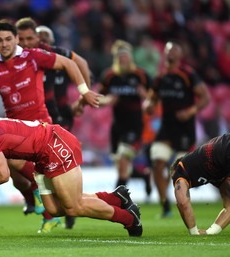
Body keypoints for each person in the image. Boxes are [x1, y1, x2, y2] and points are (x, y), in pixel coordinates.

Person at [0, 19, 100, 233]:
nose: (4, 44)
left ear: (16, 39)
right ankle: (42, 207)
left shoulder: (32, 56)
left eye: (9, 39)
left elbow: (70, 63)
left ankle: (40, 194)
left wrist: (84, 92)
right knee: (15, 176)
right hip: (13, 127)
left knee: (13, 163)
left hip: (39, 125)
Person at [0, 112, 143, 237]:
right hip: (42, 154)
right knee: (53, 209)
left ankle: (129, 219)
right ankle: (116, 198)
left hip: (54, 144)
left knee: (72, 206)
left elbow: (2, 174)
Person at [15, 17, 92, 229]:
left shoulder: (54, 54)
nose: (30, 42)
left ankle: (65, 207)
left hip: (61, 117)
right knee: (29, 165)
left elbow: (82, 63)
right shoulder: (23, 58)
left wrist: (83, 98)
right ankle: (40, 201)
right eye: (24, 39)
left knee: (57, 165)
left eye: (36, 38)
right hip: (38, 118)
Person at [143, 41, 210, 217]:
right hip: (166, 128)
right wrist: (148, 105)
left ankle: (184, 206)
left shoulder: (188, 74)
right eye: (168, 50)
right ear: (164, 54)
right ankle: (165, 206)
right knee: (157, 164)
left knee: (179, 171)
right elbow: (151, 99)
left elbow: (205, 97)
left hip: (185, 129)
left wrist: (191, 111)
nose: (171, 53)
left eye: (174, 50)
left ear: (180, 55)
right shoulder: (160, 77)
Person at [98, 39, 152, 195]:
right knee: (122, 165)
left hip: (134, 125)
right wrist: (107, 100)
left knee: (123, 158)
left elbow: (154, 99)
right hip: (117, 126)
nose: (123, 60)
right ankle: (143, 176)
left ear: (130, 58)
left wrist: (145, 96)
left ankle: (118, 199)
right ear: (116, 59)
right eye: (120, 57)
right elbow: (98, 99)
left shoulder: (141, 75)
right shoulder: (109, 76)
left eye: (126, 56)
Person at [170, 133, 230, 235]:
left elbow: (183, 203)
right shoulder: (215, 172)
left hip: (223, 149)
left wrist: (194, 233)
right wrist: (209, 233)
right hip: (222, 150)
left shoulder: (180, 171)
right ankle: (211, 232)